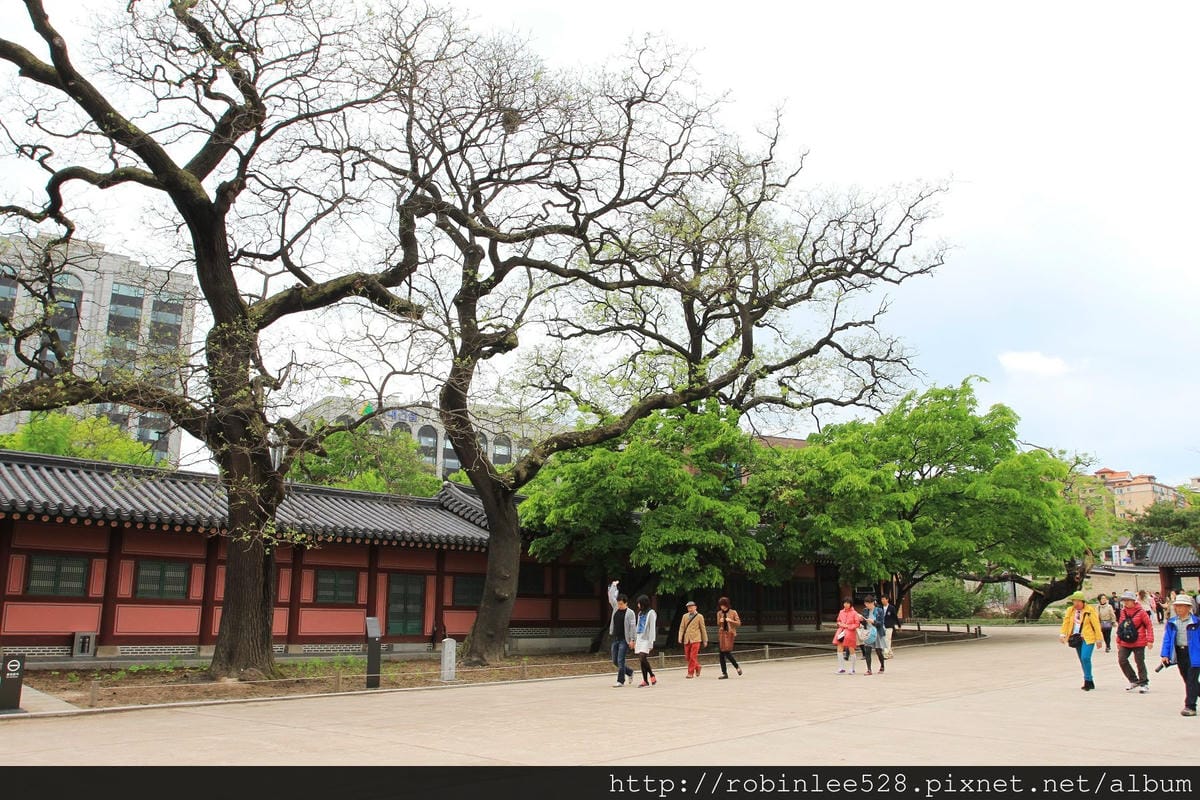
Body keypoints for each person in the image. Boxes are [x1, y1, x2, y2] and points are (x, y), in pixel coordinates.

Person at [1159, 594, 1199, 716]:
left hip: (1195, 653)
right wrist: (1165, 655)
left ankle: (1190, 706)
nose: (1179, 608)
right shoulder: (1172, 623)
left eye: (1181, 606)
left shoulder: (1196, 622)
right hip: (1179, 653)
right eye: (1177, 606)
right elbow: (1167, 639)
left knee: (1191, 680)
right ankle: (1192, 697)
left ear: (1188, 607)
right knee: (1187, 679)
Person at [1058, 590, 1102, 690]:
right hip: (1075, 638)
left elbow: (1096, 625)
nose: (1076, 604)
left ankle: (1088, 680)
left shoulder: (1090, 610)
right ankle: (1089, 681)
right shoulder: (1070, 610)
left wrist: (1099, 639)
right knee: (1082, 660)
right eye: (1074, 601)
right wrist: (1063, 634)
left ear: (1083, 602)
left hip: (1088, 637)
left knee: (1085, 657)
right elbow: (1066, 622)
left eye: (1078, 601)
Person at [1116, 590, 1154, 693]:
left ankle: (1144, 682)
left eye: (1128, 600)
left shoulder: (1141, 612)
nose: (1126, 603)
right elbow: (1121, 626)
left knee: (1139, 661)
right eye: (1124, 601)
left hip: (1139, 640)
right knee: (1122, 659)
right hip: (1125, 640)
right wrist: (1118, 640)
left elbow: (1149, 625)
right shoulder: (1123, 612)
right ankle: (1133, 680)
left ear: (1133, 601)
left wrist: (1150, 640)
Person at [606, 581, 636, 687]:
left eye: (621, 604)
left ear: (626, 603)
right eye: (618, 604)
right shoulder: (615, 608)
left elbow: (633, 627)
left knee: (620, 659)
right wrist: (614, 585)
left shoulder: (630, 613)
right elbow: (611, 598)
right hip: (616, 638)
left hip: (625, 639)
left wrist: (633, 640)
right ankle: (629, 672)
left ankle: (620, 681)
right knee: (615, 661)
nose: (619, 606)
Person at [677, 600, 708, 678]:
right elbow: (682, 627)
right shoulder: (685, 616)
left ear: (695, 607)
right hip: (687, 639)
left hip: (696, 639)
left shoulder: (699, 616)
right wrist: (680, 637)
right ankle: (697, 667)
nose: (689, 609)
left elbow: (703, 629)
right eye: (688, 607)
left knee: (693, 656)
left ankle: (690, 673)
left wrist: (705, 640)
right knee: (687, 657)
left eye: (691, 607)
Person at [633, 594, 658, 687]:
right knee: (641, 659)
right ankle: (645, 680)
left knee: (643, 657)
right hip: (639, 637)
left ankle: (651, 675)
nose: (638, 605)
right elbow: (638, 625)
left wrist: (651, 642)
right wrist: (635, 639)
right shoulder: (640, 613)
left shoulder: (651, 613)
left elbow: (652, 628)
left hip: (647, 638)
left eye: (639, 603)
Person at [715, 596, 743, 679]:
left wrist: (731, 621)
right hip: (722, 634)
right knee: (721, 653)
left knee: (726, 652)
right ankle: (725, 673)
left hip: (730, 634)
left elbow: (738, 623)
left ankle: (736, 667)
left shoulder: (733, 612)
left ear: (727, 605)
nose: (722, 607)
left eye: (723, 605)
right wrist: (720, 622)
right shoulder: (719, 613)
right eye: (721, 605)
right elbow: (718, 624)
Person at [833, 598, 861, 674]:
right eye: (844, 603)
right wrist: (839, 624)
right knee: (839, 648)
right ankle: (841, 668)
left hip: (850, 632)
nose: (846, 604)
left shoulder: (854, 613)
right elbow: (838, 620)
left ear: (850, 604)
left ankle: (853, 668)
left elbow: (857, 624)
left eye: (848, 603)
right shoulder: (841, 612)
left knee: (851, 649)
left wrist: (848, 626)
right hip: (841, 631)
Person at [859, 594, 886, 675]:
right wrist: (861, 621)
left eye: (869, 604)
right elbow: (864, 622)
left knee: (878, 651)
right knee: (867, 651)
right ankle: (869, 669)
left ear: (873, 603)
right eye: (866, 604)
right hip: (868, 632)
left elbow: (881, 623)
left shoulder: (879, 610)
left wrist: (873, 622)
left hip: (877, 632)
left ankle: (882, 666)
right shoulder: (865, 611)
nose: (868, 605)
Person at [881, 594, 901, 659]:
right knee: (884, 640)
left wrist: (899, 625)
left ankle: (886, 654)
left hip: (889, 626)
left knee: (887, 640)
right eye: (882, 599)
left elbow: (895, 617)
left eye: (884, 599)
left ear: (887, 599)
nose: (882, 600)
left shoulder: (891, 608)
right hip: (882, 626)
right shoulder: (880, 608)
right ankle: (890, 653)